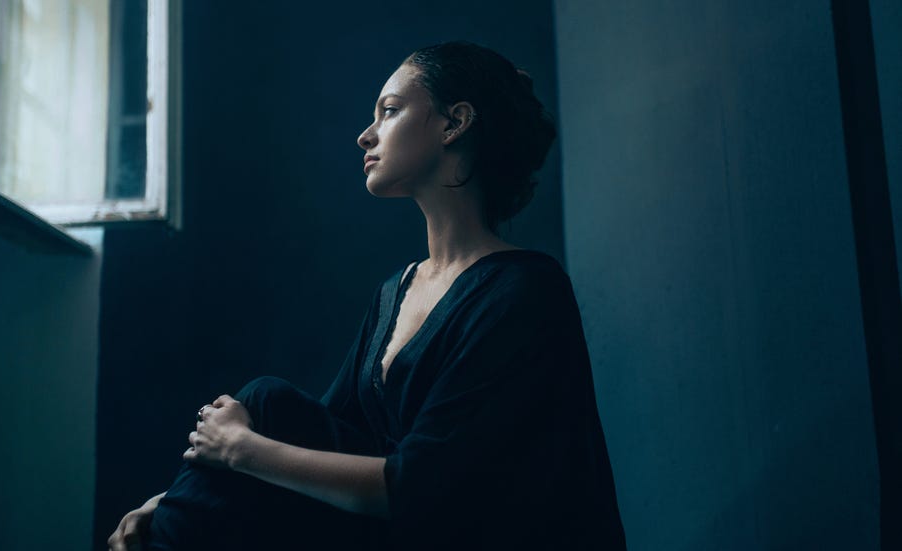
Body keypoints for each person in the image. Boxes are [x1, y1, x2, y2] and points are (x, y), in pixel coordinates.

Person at [108, 40, 626, 550]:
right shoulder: (394, 293)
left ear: (454, 123)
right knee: (267, 400)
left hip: (463, 533)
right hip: (385, 531)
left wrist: (239, 451)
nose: (365, 135)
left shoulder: (524, 290)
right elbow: (309, 434)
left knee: (259, 414)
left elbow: (421, 489)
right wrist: (167, 499)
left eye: (391, 111)